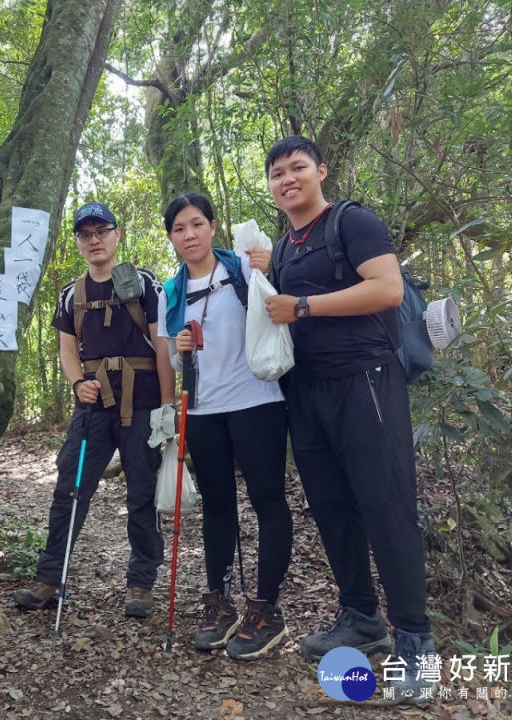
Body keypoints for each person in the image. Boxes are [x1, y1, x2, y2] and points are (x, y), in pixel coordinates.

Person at [264, 135, 434, 698]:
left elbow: (386, 289)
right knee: (333, 509)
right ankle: (361, 616)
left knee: (386, 506)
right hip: (306, 394)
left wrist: (305, 306)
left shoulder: (352, 223)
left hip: (366, 383)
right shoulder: (286, 246)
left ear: (321, 171)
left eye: (298, 168)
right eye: (277, 173)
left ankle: (415, 641)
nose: (288, 179)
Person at [13, 202, 175, 618]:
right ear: (79, 243)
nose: (95, 240)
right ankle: (50, 579)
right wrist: (75, 383)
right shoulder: (72, 294)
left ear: (117, 235)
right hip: (94, 402)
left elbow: (162, 345)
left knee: (142, 490)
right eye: (86, 234)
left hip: (141, 402)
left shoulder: (144, 283)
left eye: (102, 231)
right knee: (70, 486)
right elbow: (68, 350)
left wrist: (166, 405)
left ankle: (141, 583)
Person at [156, 192, 293, 661]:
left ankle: (266, 608)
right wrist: (179, 349)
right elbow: (174, 361)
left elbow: (278, 295)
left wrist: (269, 263)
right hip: (203, 409)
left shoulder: (242, 266)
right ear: (171, 236)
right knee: (217, 505)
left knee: (268, 501)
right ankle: (219, 602)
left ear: (212, 227)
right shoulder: (170, 292)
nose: (188, 234)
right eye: (179, 228)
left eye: (196, 224)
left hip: (257, 402)